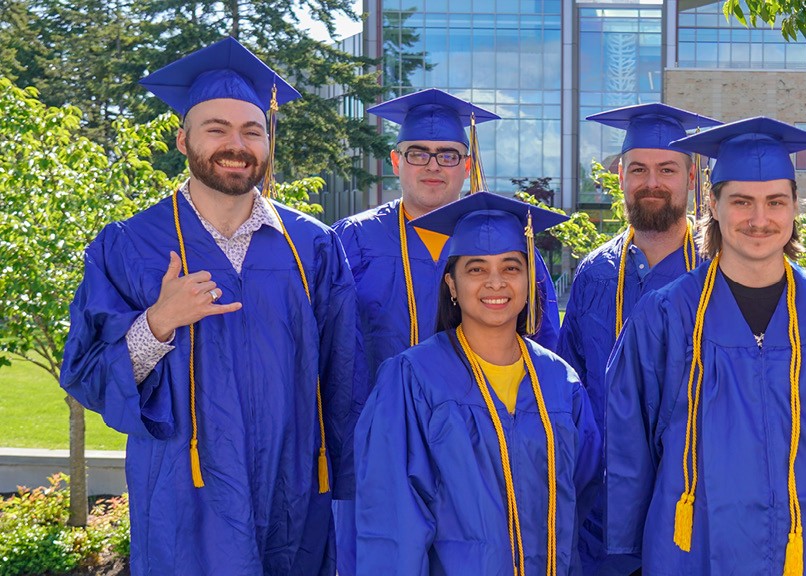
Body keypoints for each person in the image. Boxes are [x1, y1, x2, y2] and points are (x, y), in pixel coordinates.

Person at [59, 37, 363, 575]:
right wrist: (157, 323)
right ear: (183, 139)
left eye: (251, 130)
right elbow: (85, 374)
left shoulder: (311, 245)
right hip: (184, 487)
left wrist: (354, 482)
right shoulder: (130, 245)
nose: (236, 143)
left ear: (268, 143)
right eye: (216, 128)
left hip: (292, 481)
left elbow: (343, 376)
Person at [606, 117, 806, 575]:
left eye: (775, 201)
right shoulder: (664, 318)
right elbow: (629, 444)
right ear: (712, 204)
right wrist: (627, 553)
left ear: (795, 207)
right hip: (693, 549)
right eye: (742, 201)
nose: (760, 219)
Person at [330, 88, 561, 574]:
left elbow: (542, 354)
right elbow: (331, 358)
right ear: (397, 160)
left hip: (484, 459)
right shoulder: (350, 242)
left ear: (467, 163)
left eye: (448, 154)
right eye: (418, 153)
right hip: (377, 459)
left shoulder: (508, 246)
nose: (433, 165)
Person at [354, 192, 601, 575]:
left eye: (511, 267)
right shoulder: (412, 381)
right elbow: (392, 524)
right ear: (451, 284)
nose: (496, 282)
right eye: (476, 269)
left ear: (529, 279)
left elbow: (580, 490)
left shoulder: (560, 381)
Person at [557, 102, 720, 575]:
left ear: (692, 179)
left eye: (667, 169)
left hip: (694, 507)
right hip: (600, 515)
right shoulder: (594, 274)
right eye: (639, 169)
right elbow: (568, 394)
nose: (652, 182)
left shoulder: (721, 275)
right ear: (622, 177)